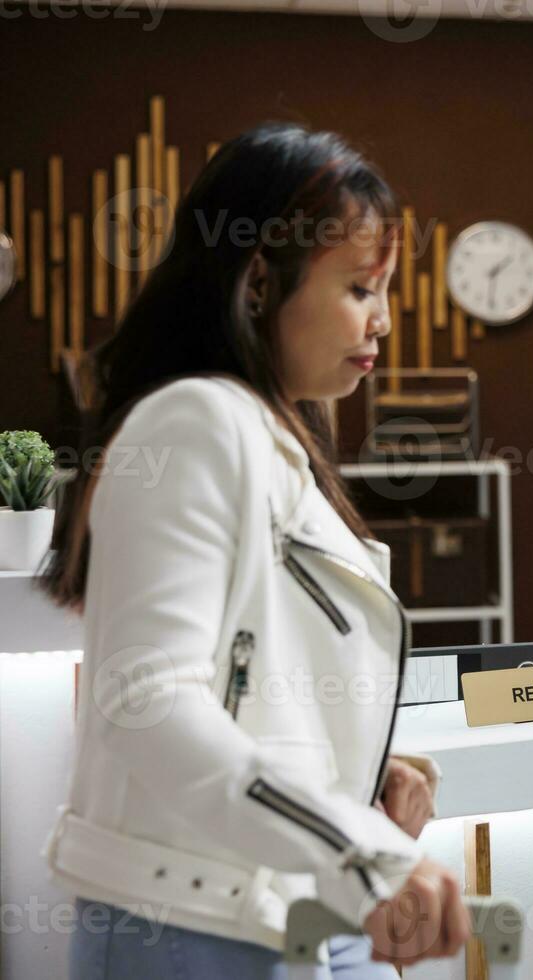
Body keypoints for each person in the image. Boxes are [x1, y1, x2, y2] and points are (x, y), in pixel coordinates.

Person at [41, 123, 469, 977]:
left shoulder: (273, 438)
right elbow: (148, 699)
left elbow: (253, 679)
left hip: (281, 907)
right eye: (359, 286)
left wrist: (358, 775)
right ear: (258, 280)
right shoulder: (195, 422)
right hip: (197, 924)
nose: (382, 318)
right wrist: (363, 852)